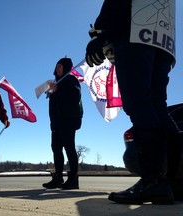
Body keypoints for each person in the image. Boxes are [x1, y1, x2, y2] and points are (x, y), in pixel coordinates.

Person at [85, 0, 176, 204]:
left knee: (139, 102)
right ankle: (172, 182)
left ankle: (153, 181)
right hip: (163, 36)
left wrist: (102, 35)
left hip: (135, 31)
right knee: (157, 105)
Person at [42, 58, 83, 190]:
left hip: (68, 121)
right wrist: (52, 92)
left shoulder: (71, 80)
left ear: (66, 68)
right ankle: (58, 177)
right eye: (57, 66)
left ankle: (73, 179)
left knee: (69, 148)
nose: (57, 68)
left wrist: (57, 90)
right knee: (56, 148)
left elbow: (74, 98)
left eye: (60, 66)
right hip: (56, 122)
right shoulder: (56, 82)